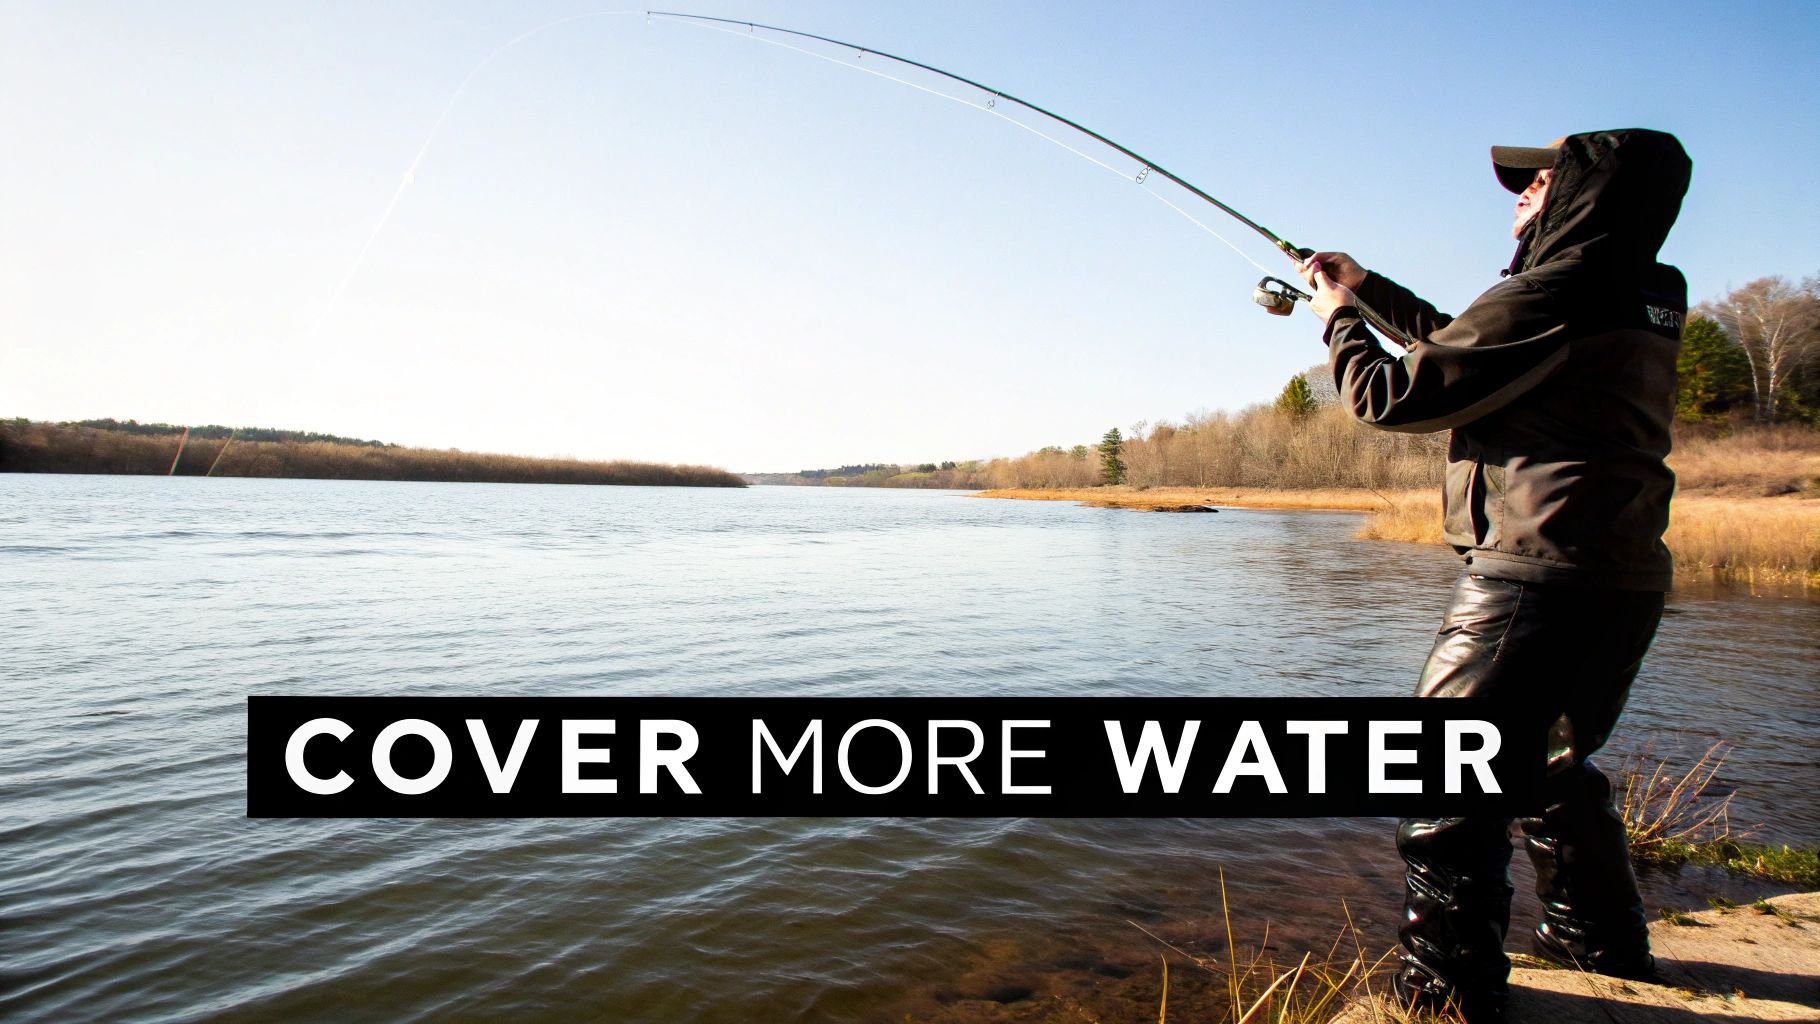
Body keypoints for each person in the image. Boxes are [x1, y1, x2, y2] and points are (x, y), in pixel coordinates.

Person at [1295, 129, 1693, 1022]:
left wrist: (1338, 322)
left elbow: (1401, 395)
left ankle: (1447, 993)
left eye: (1540, 181)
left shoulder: (1560, 291)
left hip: (1533, 578)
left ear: (1588, 194)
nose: (1520, 196)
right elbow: (1467, 344)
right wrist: (1369, 288)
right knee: (1550, 768)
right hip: (1619, 577)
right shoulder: (1643, 291)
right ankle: (1601, 947)